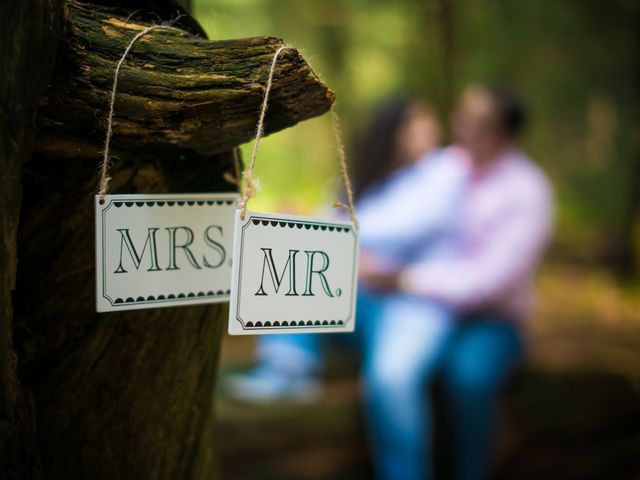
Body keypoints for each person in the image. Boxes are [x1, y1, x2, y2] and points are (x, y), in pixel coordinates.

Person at [224, 96, 467, 409]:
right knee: (296, 260)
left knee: (390, 382)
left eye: (428, 120)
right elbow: (343, 214)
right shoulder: (377, 178)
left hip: (414, 303)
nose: (427, 129)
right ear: (392, 130)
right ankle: (287, 369)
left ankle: (406, 460)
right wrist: (303, 217)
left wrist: (320, 222)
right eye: (415, 122)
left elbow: (404, 225)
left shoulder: (446, 168)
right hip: (367, 296)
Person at [364, 85, 553, 480]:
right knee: (399, 369)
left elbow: (489, 284)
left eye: (476, 122)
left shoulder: (527, 190)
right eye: (461, 116)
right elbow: (398, 217)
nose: (461, 127)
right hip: (425, 307)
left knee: (468, 378)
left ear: (503, 132)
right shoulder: (448, 167)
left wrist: (401, 278)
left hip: (488, 320)